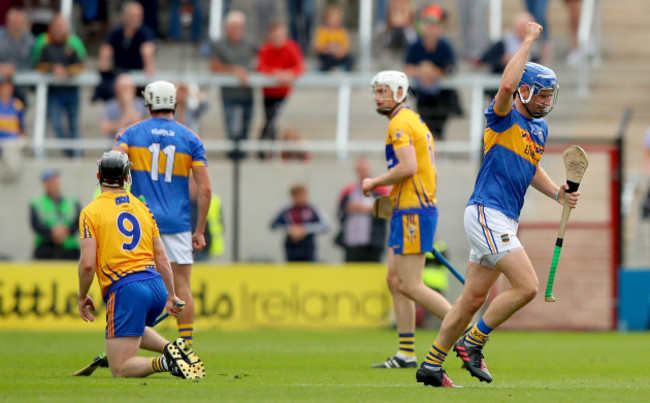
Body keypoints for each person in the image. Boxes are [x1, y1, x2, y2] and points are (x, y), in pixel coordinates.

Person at [415, 22, 580, 388]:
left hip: (502, 218)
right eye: (540, 94)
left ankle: (431, 364)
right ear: (523, 90)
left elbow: (531, 167)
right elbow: (504, 85)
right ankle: (474, 343)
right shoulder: (503, 114)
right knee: (527, 286)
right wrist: (529, 41)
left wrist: (557, 193)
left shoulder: (539, 130)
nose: (544, 101)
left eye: (549, 96)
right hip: (487, 213)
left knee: (471, 299)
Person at [77, 150, 204, 379]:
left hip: (126, 288)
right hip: (155, 285)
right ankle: (170, 348)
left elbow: (87, 264)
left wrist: (82, 295)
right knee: (134, 328)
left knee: (120, 368)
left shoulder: (90, 212)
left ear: (98, 175)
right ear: (127, 177)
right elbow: (162, 257)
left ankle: (166, 363)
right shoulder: (143, 208)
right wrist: (170, 295)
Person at [362, 70, 452, 368]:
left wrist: (375, 182)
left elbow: (408, 166)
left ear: (400, 92)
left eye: (383, 91)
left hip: (415, 210)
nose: (378, 97)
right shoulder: (410, 120)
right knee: (395, 280)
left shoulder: (400, 123)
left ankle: (466, 333)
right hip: (406, 207)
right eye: (376, 92)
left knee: (411, 284)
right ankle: (406, 353)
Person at [114, 80, 212, 347]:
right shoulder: (191, 138)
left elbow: (112, 163)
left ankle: (128, 339)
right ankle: (186, 347)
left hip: (139, 223)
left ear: (147, 105)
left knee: (134, 283)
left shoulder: (131, 134)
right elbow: (205, 189)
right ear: (175, 104)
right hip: (177, 222)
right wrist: (200, 229)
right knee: (182, 287)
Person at [403, 4, 462, 141]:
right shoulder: (415, 46)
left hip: (440, 96)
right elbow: (407, 67)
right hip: (422, 95)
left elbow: (450, 68)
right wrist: (422, 72)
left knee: (439, 113)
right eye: (429, 25)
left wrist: (433, 72)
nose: (432, 29)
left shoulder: (444, 46)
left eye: (435, 25)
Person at [33, 14, 87, 158]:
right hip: (54, 93)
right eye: (57, 25)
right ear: (52, 27)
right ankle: (70, 152)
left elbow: (81, 66)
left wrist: (67, 71)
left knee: (74, 125)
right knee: (56, 125)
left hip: (71, 92)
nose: (59, 29)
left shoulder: (72, 44)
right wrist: (53, 69)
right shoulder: (46, 46)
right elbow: (38, 65)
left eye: (62, 26)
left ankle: (77, 155)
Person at [209, 10, 256, 160]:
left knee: (247, 124)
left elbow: (261, 59)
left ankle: (242, 153)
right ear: (227, 27)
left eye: (239, 26)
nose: (237, 30)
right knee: (231, 126)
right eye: (234, 26)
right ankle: (232, 155)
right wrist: (234, 70)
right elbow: (214, 65)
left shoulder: (250, 43)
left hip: (247, 91)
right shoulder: (219, 44)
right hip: (229, 93)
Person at [256, 22, 304, 160]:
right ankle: (265, 149)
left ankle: (267, 149)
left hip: (283, 92)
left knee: (272, 121)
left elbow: (299, 67)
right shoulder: (266, 48)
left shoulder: (291, 47)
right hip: (269, 92)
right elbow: (261, 66)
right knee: (270, 121)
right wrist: (274, 73)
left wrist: (288, 74)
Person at [96, 1, 155, 101]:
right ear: (125, 16)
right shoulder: (116, 32)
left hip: (139, 77)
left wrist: (149, 65)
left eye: (139, 15)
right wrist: (104, 69)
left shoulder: (145, 32)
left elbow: (147, 49)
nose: (136, 18)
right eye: (133, 15)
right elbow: (106, 50)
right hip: (120, 75)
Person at [335, 157, 389, 262]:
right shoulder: (348, 191)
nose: (362, 173)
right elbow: (339, 214)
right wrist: (348, 209)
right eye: (360, 170)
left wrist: (368, 209)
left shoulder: (381, 190)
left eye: (364, 170)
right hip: (352, 244)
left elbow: (388, 212)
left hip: (373, 244)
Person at [479, 12, 541, 99]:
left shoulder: (534, 47)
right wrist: (503, 60)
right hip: (501, 83)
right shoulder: (504, 42)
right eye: (522, 26)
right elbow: (486, 58)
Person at [30, 168, 81, 260]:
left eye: (56, 179)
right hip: (46, 246)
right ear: (45, 184)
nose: (54, 183)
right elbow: (35, 225)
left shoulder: (72, 201)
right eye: (51, 180)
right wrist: (52, 231)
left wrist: (66, 231)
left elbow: (79, 222)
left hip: (70, 248)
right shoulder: (36, 203)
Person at [270, 183, 329, 262]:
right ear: (293, 196)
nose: (301, 198)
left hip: (308, 248)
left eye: (303, 195)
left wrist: (304, 229)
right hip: (291, 249)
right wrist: (290, 229)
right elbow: (274, 225)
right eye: (298, 196)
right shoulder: (287, 211)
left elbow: (325, 225)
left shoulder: (313, 210)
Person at [0, 7, 34, 107]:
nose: (16, 26)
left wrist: (14, 70)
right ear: (7, 22)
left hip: (20, 89)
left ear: (25, 24)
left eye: (19, 23)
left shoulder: (31, 41)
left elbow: (32, 63)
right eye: (14, 23)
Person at [189, 175, 224, 262]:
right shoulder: (181, 201)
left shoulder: (212, 200)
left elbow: (220, 224)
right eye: (190, 183)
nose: (193, 186)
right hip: (184, 249)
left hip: (205, 248)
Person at [100, 73, 146, 139]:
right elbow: (105, 128)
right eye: (124, 88)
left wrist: (128, 104)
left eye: (129, 88)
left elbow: (137, 122)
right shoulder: (110, 105)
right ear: (116, 90)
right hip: (115, 144)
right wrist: (121, 123)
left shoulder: (139, 103)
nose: (127, 91)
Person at [314, 4, 354, 72]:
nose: (334, 21)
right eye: (332, 19)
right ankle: (325, 69)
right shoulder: (322, 31)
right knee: (326, 58)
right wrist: (330, 51)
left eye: (337, 19)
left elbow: (346, 47)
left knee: (350, 58)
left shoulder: (342, 31)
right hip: (328, 55)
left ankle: (342, 69)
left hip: (339, 55)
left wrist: (339, 53)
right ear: (327, 19)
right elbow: (319, 47)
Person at [0, 74, 24, 142]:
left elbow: (21, 126)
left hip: (12, 140)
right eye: (4, 86)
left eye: (9, 86)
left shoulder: (18, 104)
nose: (6, 89)